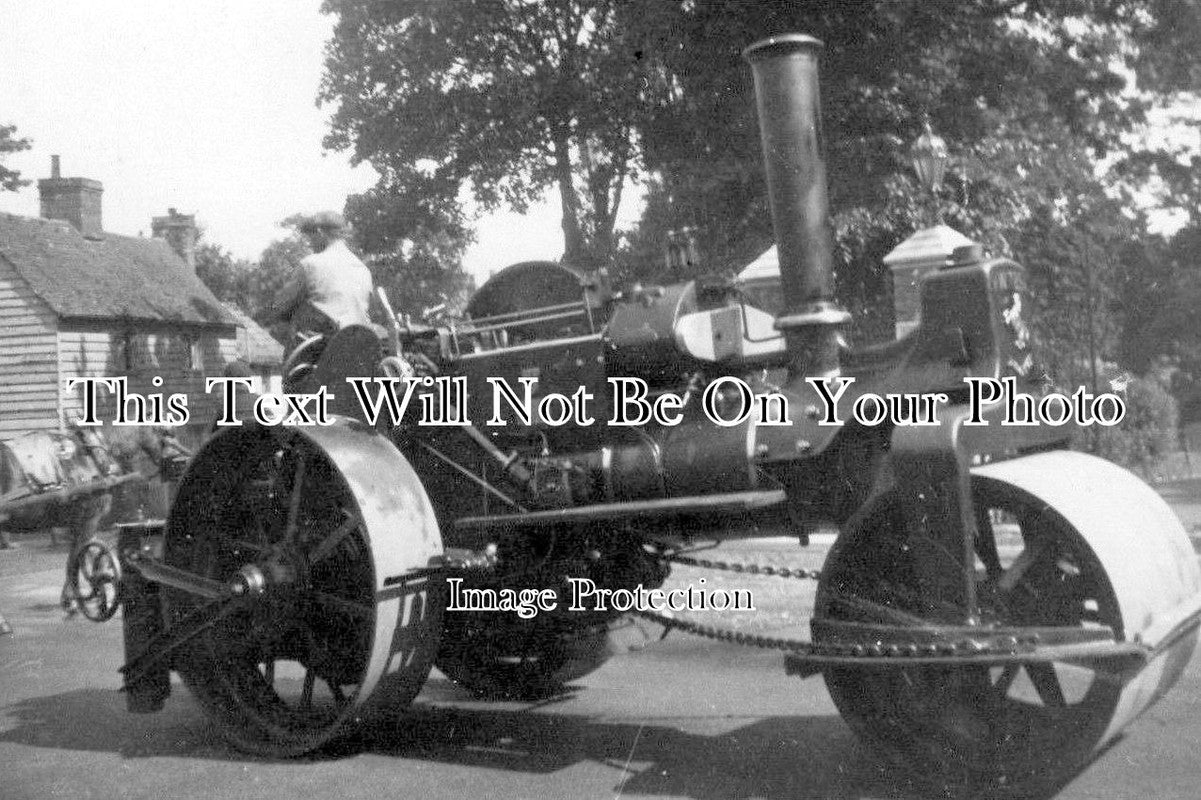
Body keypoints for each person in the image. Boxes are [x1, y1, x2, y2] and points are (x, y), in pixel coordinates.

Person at [269, 211, 374, 339]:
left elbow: (280, 306)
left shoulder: (310, 264)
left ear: (320, 232)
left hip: (320, 351)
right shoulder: (363, 270)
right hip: (357, 347)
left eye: (310, 238)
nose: (310, 244)